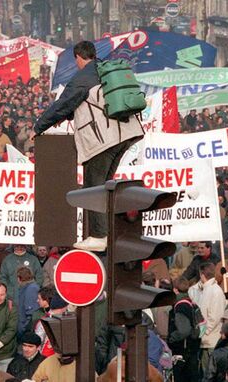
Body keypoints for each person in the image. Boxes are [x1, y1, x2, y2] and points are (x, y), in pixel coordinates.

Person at [32, 40, 145, 252]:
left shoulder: (82, 77)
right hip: (125, 134)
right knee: (107, 186)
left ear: (78, 57)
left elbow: (63, 103)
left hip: (102, 141)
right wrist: (66, 116)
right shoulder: (104, 70)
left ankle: (99, 235)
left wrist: (38, 127)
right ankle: (110, 232)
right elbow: (89, 102)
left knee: (95, 187)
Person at [168, 277, 200, 381]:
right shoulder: (193, 304)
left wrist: (171, 338)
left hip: (182, 352)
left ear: (175, 290)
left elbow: (183, 331)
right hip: (194, 350)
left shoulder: (180, 306)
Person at [196, 263, 226, 374]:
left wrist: (203, 332)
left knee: (210, 373)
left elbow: (215, 317)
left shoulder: (215, 291)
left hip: (211, 340)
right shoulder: (207, 289)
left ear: (202, 275)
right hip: (206, 340)